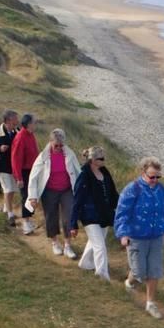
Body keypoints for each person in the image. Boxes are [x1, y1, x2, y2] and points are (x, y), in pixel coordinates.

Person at [114, 157, 164, 320]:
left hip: (156, 236)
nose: (154, 180)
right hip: (136, 237)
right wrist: (123, 234)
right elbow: (122, 213)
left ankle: (151, 303)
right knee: (139, 271)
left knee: (154, 270)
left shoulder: (162, 190)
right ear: (143, 173)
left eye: (157, 177)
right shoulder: (132, 189)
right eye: (151, 177)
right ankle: (130, 282)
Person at [27, 128, 81, 259]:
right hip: (49, 191)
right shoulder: (43, 156)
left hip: (67, 189)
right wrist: (32, 197)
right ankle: (55, 242)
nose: (58, 147)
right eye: (56, 145)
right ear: (50, 142)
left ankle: (68, 245)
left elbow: (78, 172)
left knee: (69, 216)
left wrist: (83, 190)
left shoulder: (69, 154)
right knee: (51, 216)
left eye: (61, 145)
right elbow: (33, 177)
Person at [69, 146, 119, 280]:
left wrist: (120, 208)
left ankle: (85, 263)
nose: (104, 160)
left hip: (105, 215)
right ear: (92, 160)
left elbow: (112, 193)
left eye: (104, 158)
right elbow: (77, 200)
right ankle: (102, 275)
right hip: (89, 216)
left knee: (96, 242)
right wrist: (73, 224)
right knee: (100, 246)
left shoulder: (105, 172)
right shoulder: (84, 176)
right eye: (101, 158)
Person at [11, 114, 40, 235]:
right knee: (26, 196)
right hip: (24, 171)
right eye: (34, 122)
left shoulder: (30, 134)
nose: (35, 124)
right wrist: (18, 177)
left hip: (32, 170)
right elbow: (15, 159)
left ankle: (28, 220)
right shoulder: (20, 137)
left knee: (32, 195)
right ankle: (25, 222)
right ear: (28, 124)